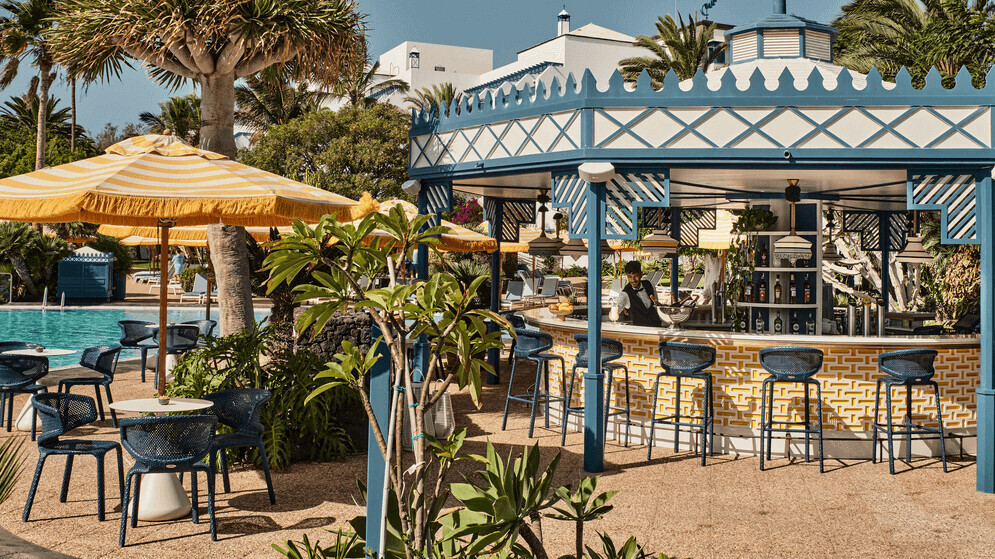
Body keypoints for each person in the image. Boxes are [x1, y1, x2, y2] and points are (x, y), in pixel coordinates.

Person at [621, 260, 662, 327]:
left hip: (656, 326)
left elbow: (656, 303)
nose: (633, 280)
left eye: (636, 276)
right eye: (630, 277)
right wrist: (623, 309)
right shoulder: (625, 293)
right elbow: (618, 307)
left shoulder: (649, 284)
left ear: (641, 274)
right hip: (639, 330)